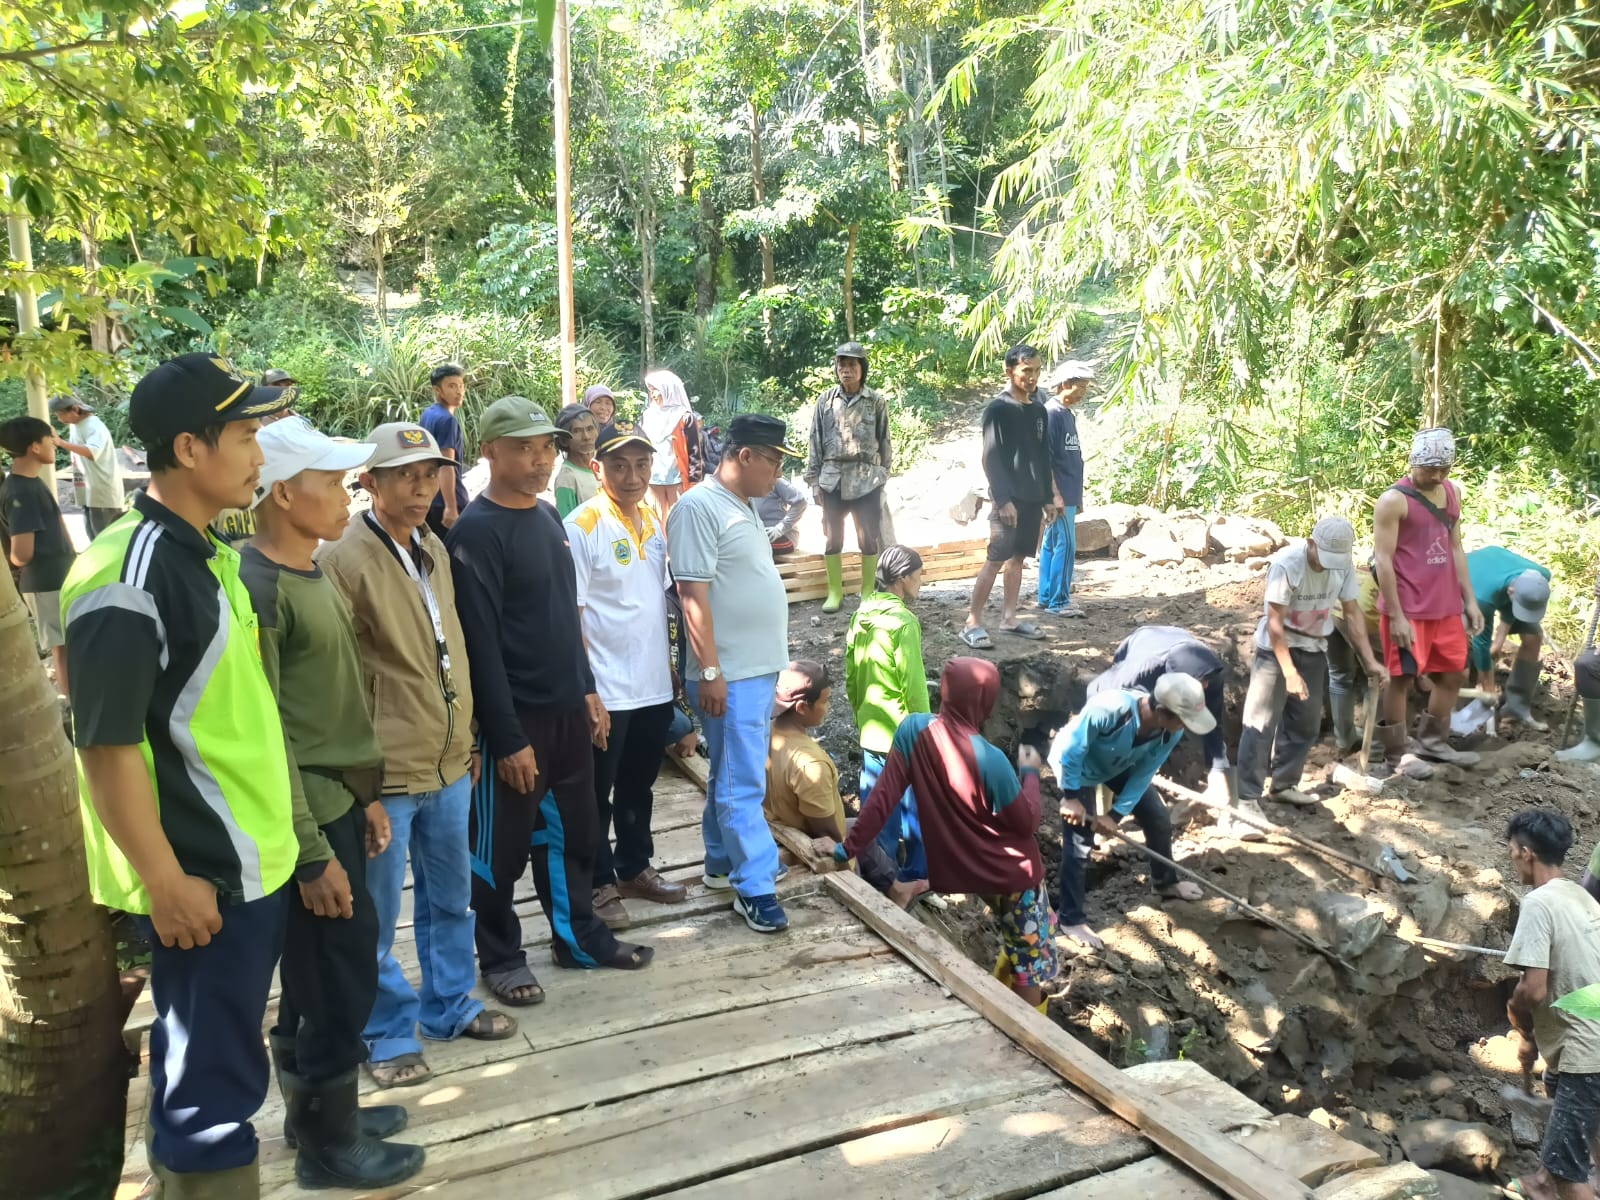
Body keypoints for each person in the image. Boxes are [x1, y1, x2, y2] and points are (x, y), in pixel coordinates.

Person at [63, 354, 295, 1195]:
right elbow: (107, 747)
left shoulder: (202, 554)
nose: (260, 456)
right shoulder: (130, 575)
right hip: (202, 880)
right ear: (190, 448)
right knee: (211, 1096)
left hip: (246, 863)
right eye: (245, 436)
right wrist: (166, 883)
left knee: (213, 1067)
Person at [239, 417, 425, 1188]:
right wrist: (311, 851)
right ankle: (328, 1146)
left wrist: (367, 794)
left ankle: (317, 1115)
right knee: (337, 973)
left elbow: (334, 705)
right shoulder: (259, 589)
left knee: (324, 971)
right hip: (307, 814)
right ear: (283, 494)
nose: (347, 494)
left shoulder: (311, 571)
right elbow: (268, 732)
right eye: (330, 482)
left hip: (341, 799)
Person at [318, 421, 516, 1091]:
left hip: (448, 759)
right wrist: (360, 782)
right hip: (386, 771)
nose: (421, 486)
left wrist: (469, 736)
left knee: (451, 898)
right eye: (404, 475)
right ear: (369, 482)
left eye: (429, 474)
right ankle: (386, 1031)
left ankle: (450, 1005)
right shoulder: (343, 560)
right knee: (373, 915)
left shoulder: (432, 545)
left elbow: (451, 648)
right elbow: (337, 681)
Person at [449, 396, 653, 1002]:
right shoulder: (476, 533)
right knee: (499, 849)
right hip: (515, 720)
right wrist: (506, 736)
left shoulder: (545, 517)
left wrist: (588, 689)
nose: (540, 461)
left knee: (576, 833)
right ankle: (500, 956)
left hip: (568, 711)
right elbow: (480, 645)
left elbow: (566, 617)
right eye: (524, 449)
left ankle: (578, 936)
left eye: (546, 448)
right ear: (490, 452)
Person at [826, 658, 1056, 1009]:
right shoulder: (992, 760)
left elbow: (882, 798)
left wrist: (847, 848)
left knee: (1017, 938)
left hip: (961, 872)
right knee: (1030, 964)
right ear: (986, 702)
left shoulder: (912, 730)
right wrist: (1030, 774)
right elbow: (1027, 823)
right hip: (1013, 875)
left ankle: (1002, 990)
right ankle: (1030, 1026)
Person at [667, 412, 797, 934]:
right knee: (743, 781)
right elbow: (691, 596)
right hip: (730, 672)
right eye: (773, 462)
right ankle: (755, 887)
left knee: (731, 771)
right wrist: (710, 671)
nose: (777, 474)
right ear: (744, 456)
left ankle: (722, 863)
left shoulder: (740, 504)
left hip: (752, 669)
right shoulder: (698, 507)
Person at [566, 429, 690, 924]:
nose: (632, 476)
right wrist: (587, 690)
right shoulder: (583, 525)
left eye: (641, 465)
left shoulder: (653, 520)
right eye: (619, 466)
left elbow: (656, 600)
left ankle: (634, 867)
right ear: (598, 469)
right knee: (597, 791)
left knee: (639, 784)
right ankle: (597, 883)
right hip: (608, 688)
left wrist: (671, 667)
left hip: (652, 684)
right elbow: (572, 614)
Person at [1235, 517, 1386, 822]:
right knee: (1260, 723)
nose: (1327, 565)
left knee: (1305, 724)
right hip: (1275, 651)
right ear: (1311, 543)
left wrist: (1369, 660)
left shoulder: (1342, 566)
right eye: (1323, 557)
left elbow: (1352, 613)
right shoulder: (1287, 566)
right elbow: (1275, 624)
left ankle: (1284, 785)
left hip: (1314, 647)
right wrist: (1289, 672)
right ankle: (1247, 798)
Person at [1050, 673, 1211, 949]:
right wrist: (1072, 797)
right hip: (1078, 767)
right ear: (1162, 712)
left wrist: (1115, 816)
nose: (1185, 727)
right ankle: (1070, 918)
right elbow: (1073, 750)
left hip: (1117, 765)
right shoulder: (1109, 709)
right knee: (1079, 843)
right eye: (1182, 719)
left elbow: (1143, 774)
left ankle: (1165, 882)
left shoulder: (1170, 733)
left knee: (1158, 818)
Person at [767, 661, 925, 907]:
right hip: (811, 848)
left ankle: (895, 888)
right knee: (850, 848)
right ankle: (876, 902)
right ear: (801, 707)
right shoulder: (811, 763)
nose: (828, 707)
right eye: (825, 701)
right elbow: (828, 834)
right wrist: (846, 857)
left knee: (860, 830)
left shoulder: (766, 733)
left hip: (782, 825)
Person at [1503, 809, 1600, 1200]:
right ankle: (1544, 1181)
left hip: (1586, 1054)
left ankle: (1550, 1182)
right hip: (1593, 1039)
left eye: (1512, 851)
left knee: (1567, 1175)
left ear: (1526, 853)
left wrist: (1519, 1019)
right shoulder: (1583, 897)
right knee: (1587, 1126)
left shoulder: (1538, 903)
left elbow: (1533, 991)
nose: (1513, 859)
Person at [1373, 427, 1483, 767]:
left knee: (1454, 674)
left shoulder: (1452, 492)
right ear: (1413, 462)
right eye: (1430, 469)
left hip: (1445, 605)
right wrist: (1397, 616)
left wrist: (1470, 600)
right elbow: (1383, 560)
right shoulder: (1394, 501)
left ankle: (1433, 742)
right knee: (1401, 677)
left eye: (1443, 469)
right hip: (1409, 606)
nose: (1436, 476)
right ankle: (1396, 755)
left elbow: (1456, 547)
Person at [962, 345, 1062, 648]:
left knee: (1017, 559)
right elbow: (991, 458)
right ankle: (972, 623)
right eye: (1026, 370)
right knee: (995, 559)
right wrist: (1003, 500)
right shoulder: (998, 410)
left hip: (1033, 499)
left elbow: (1043, 456)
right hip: (1009, 500)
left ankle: (1009, 618)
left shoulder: (1038, 410)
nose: (1033, 377)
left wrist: (1049, 496)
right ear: (1009, 372)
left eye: (1037, 370)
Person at [846, 545, 931, 882]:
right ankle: (915, 879)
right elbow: (914, 686)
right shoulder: (903, 622)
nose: (921, 581)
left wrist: (861, 716)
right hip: (904, 735)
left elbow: (852, 674)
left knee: (877, 811)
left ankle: (880, 879)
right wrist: (926, 733)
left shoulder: (861, 615)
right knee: (916, 809)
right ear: (902, 578)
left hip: (872, 729)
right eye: (919, 575)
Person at [1089, 624, 1234, 800]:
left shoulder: (1209, 675)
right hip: (1141, 640)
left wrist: (1217, 769)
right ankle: (1107, 791)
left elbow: (1214, 723)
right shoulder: (1137, 674)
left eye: (1206, 681)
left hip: (1176, 638)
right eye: (1201, 683)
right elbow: (1098, 697)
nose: (1206, 686)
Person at [803, 342, 892, 613]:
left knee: (868, 537)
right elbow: (815, 439)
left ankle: (867, 592)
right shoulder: (825, 401)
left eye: (852, 364)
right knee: (833, 538)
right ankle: (835, 592)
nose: (846, 370)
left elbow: (885, 439)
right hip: (832, 479)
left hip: (866, 479)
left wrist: (883, 474)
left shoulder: (875, 401)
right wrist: (814, 481)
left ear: (862, 369)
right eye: (842, 364)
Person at [0, 416, 76, 696]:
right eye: (49, 440)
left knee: (68, 642)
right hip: (45, 583)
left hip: (55, 579)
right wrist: (16, 564)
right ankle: (73, 701)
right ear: (34, 446)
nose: (54, 445)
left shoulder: (29, 484)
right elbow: (21, 552)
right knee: (62, 647)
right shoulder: (20, 491)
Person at [1466, 545, 1553, 731]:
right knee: (1465, 646)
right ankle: (1475, 703)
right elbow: (1481, 643)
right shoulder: (1482, 598)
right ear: (1511, 592)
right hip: (1468, 580)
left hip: (1500, 580)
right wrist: (1488, 688)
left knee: (1533, 637)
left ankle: (1516, 709)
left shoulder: (1540, 577)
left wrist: (1499, 640)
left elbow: (1510, 606)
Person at [1037, 361, 1091, 617]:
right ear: (1065, 384)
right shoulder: (1051, 413)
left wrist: (1075, 496)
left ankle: (1047, 595)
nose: (1083, 393)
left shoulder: (1067, 414)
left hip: (1069, 492)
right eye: (1081, 387)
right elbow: (1043, 459)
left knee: (1052, 542)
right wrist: (1054, 495)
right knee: (1066, 545)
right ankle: (1059, 602)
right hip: (1060, 494)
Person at [1328, 569, 1384, 755]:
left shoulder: (1378, 567)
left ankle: (1345, 740)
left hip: (1335, 610)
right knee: (1379, 678)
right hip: (1364, 618)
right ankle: (1375, 746)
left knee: (1340, 676)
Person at [50, 394, 124, 537]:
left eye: (61, 414)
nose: (59, 419)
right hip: (88, 491)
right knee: (93, 535)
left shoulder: (93, 426)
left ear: (75, 409)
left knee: (105, 537)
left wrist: (61, 443)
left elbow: (91, 451)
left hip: (102, 493)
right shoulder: (75, 425)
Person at [640, 369, 702, 516]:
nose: (653, 395)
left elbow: (694, 452)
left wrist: (695, 482)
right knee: (655, 520)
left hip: (677, 480)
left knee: (679, 519)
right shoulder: (647, 416)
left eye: (656, 390)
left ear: (668, 390)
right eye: (651, 390)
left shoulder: (685, 417)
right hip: (653, 480)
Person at [421, 362, 470, 537]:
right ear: (437, 390)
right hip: (447, 501)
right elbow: (445, 464)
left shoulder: (428, 414)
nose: (459, 391)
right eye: (452, 386)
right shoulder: (447, 421)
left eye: (461, 385)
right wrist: (451, 507)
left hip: (430, 498)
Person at [552, 403, 602, 518]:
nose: (586, 437)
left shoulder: (601, 467)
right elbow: (566, 522)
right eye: (577, 431)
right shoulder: (567, 478)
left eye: (590, 429)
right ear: (564, 440)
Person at [755, 475, 808, 555]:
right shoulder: (740, 485)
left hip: (782, 536)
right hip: (758, 535)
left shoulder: (774, 479)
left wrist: (779, 528)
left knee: (750, 549)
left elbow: (800, 502)